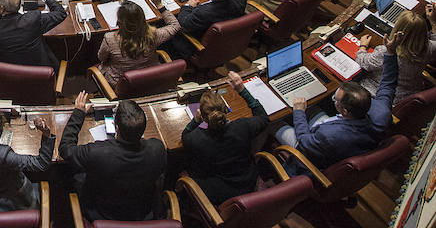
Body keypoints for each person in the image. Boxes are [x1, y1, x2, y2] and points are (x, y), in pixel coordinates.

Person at [275, 30, 401, 172]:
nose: (334, 99)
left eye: (336, 99)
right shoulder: (381, 113)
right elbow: (388, 84)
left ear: (345, 111)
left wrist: (298, 113)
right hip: (341, 138)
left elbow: (304, 140)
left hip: (309, 151)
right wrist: (390, 52)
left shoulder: (330, 135)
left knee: (273, 122)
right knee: (312, 108)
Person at [60, 92, 167, 222]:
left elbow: (65, 149)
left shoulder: (97, 153)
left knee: (73, 176)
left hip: (103, 215)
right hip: (142, 213)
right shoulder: (157, 148)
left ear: (116, 128)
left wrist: (78, 113)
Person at [181, 72, 270, 205]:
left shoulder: (197, 138)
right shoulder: (242, 126)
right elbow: (263, 117)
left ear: (203, 117)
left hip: (221, 192)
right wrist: (242, 90)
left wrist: (195, 121)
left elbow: (185, 136)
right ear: (226, 111)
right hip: (247, 180)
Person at [97, 0, 181, 89]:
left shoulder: (110, 38)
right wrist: (159, 5)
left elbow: (101, 58)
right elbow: (175, 26)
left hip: (120, 84)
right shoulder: (154, 35)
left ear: (120, 22)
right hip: (150, 79)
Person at [355, 8, 436, 103]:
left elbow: (364, 62)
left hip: (380, 95)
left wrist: (363, 47)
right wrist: (433, 22)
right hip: (409, 94)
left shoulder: (386, 52)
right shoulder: (429, 47)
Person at [0, 0, 67, 70]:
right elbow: (61, 13)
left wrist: (1, 10)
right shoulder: (33, 19)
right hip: (41, 76)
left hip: (10, 78)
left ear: (0, 7)